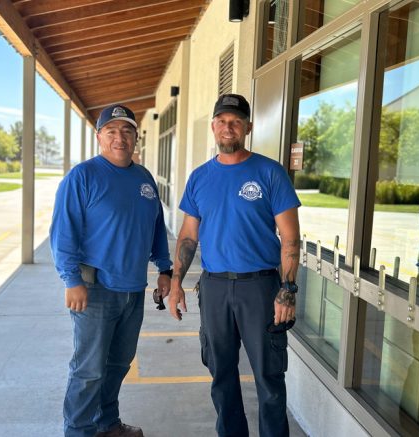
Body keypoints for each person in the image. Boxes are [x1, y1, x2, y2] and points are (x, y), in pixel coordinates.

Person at [166, 94, 301, 437]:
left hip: (260, 287)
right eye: (222, 121)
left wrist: (286, 290)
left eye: (236, 121)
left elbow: (290, 238)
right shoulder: (199, 178)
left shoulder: (269, 173)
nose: (228, 127)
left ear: (248, 128)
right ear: (213, 127)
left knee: (268, 377)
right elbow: (187, 236)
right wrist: (177, 280)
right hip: (213, 288)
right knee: (221, 374)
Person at [50, 104, 172, 437]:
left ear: (136, 137)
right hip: (96, 290)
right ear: (99, 136)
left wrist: (165, 268)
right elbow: (63, 233)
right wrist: (71, 280)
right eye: (112, 131)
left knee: (118, 364)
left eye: (127, 131)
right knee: (88, 370)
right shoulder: (83, 176)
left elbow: (156, 228)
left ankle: (106, 424)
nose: (120, 138)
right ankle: (79, 431)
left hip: (133, 290)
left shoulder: (144, 178)